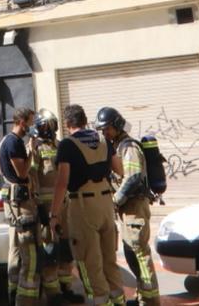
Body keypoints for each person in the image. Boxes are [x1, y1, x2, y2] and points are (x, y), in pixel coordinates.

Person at [50, 105, 124, 306]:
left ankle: (100, 301)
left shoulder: (67, 145)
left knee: (88, 261)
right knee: (109, 259)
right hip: (106, 204)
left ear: (67, 124)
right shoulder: (103, 140)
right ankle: (119, 300)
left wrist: (54, 215)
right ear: (84, 120)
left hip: (83, 206)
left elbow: (62, 182)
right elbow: (120, 169)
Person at [97, 107, 159, 306]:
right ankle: (144, 296)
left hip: (134, 208)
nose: (104, 133)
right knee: (132, 253)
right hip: (127, 210)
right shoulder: (117, 146)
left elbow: (133, 177)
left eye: (106, 128)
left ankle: (150, 301)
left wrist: (115, 200)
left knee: (140, 254)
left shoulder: (128, 146)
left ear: (116, 126)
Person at [28, 109, 82, 305]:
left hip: (65, 207)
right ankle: (53, 293)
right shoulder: (35, 149)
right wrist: (39, 208)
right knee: (50, 250)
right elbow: (31, 178)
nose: (46, 129)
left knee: (66, 250)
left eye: (48, 126)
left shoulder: (60, 146)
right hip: (47, 209)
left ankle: (66, 287)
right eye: (44, 126)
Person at [0, 107, 42, 306]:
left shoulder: (7, 141)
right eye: (31, 122)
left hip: (14, 202)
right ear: (22, 122)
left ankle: (12, 293)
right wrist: (31, 149)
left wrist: (7, 179)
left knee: (15, 251)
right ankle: (25, 299)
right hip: (21, 205)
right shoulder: (14, 143)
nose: (32, 126)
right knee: (29, 253)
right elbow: (23, 173)